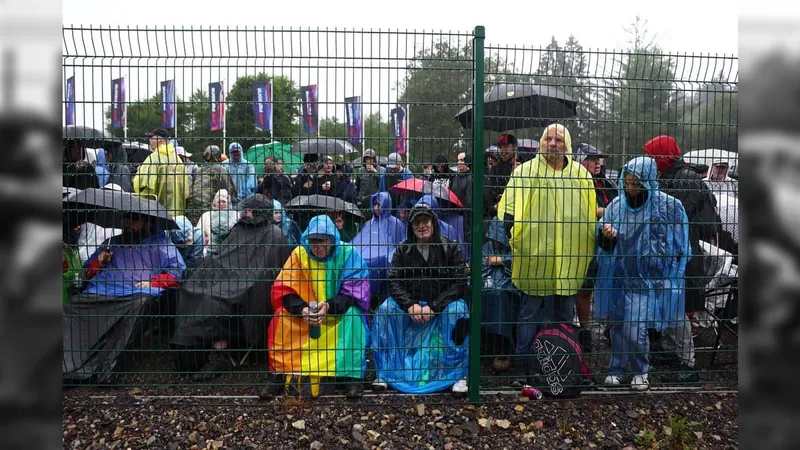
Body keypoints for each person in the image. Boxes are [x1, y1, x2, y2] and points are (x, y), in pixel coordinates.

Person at [499, 124, 597, 386]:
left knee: (564, 315)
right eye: (548, 139)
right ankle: (524, 368)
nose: (552, 143)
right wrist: (517, 238)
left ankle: (563, 365)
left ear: (568, 145)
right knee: (529, 314)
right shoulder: (525, 172)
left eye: (559, 139)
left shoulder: (581, 176)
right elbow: (507, 211)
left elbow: (589, 217)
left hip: (568, 260)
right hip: (534, 258)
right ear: (542, 142)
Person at [594, 156, 691, 391]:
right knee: (617, 326)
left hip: (647, 279)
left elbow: (680, 243)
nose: (630, 188)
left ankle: (640, 370)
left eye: (636, 183)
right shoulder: (617, 205)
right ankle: (616, 369)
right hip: (620, 275)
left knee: (634, 326)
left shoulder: (668, 206)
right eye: (627, 182)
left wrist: (665, 270)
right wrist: (605, 235)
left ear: (649, 181)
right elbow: (602, 239)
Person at [172, 194, 291, 383]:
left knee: (214, 300)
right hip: (228, 277)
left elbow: (272, 269)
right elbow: (224, 255)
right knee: (191, 287)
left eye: (248, 210)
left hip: (250, 287)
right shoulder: (238, 230)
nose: (244, 213)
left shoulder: (274, 234)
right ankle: (191, 352)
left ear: (259, 212)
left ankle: (219, 356)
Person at [63, 212, 186, 383]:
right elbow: (85, 274)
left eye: (134, 219)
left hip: (135, 295)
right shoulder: (111, 243)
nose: (128, 222)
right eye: (126, 218)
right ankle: (66, 364)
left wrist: (154, 282)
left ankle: (107, 367)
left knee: (140, 303)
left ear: (148, 222)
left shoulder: (162, 244)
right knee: (70, 305)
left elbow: (177, 272)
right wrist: (98, 261)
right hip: (101, 292)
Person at [266, 214, 371, 399]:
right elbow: (283, 290)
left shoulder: (349, 254)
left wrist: (329, 306)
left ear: (332, 239)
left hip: (336, 317)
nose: (318, 247)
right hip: (305, 318)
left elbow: (355, 294)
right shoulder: (299, 255)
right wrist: (302, 310)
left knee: (354, 316)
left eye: (322, 241)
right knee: (281, 317)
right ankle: (278, 375)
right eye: (313, 241)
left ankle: (352, 377)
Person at [371, 203, 470, 396]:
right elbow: (393, 281)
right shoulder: (402, 250)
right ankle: (386, 371)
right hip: (412, 306)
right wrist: (410, 305)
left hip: (440, 307)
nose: (421, 226)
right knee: (385, 310)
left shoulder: (450, 247)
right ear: (411, 227)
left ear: (433, 223)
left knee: (458, 311)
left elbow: (459, 283)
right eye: (417, 222)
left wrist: (434, 307)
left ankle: (456, 374)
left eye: (425, 221)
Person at [643, 135, 719, 383]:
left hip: (681, 256)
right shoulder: (675, 176)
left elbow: (675, 216)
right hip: (674, 253)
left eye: (653, 156)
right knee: (669, 306)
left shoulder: (684, 179)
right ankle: (672, 352)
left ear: (664, 157)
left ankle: (688, 364)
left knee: (677, 309)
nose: (651, 161)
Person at [573, 143, 619, 350]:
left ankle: (613, 329)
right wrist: (604, 211)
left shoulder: (606, 183)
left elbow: (619, 205)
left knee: (612, 286)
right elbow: (581, 210)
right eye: (592, 159)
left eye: (599, 158)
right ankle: (584, 331)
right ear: (580, 160)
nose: (597, 162)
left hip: (610, 243)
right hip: (585, 243)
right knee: (585, 288)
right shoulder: (574, 183)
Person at [351, 192, 408, 303]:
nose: (377, 208)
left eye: (380, 205)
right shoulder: (369, 223)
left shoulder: (395, 223)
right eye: (375, 204)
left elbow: (399, 245)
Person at [481, 218, 519, 373]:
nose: (496, 243)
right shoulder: (487, 246)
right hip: (488, 286)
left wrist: (502, 261)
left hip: (507, 288)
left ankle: (504, 349)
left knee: (503, 299)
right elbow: (481, 264)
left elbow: (518, 264)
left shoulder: (513, 248)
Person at [133, 128, 191, 217]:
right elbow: (187, 188)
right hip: (178, 214)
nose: (149, 140)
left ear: (159, 140)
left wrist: (139, 172)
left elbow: (144, 186)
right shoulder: (177, 159)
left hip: (158, 214)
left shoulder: (154, 158)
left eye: (151, 138)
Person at [185, 145, 238, 224]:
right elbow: (230, 192)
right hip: (207, 213)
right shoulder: (220, 170)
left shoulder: (198, 170)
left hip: (191, 212)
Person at [196, 189, 239, 256]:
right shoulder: (206, 215)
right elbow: (198, 234)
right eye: (219, 202)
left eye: (224, 202)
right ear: (215, 203)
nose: (221, 204)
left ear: (228, 202)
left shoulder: (235, 215)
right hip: (209, 249)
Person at [483, 134, 517, 220]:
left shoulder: (525, 165)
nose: (502, 150)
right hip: (502, 217)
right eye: (500, 147)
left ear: (514, 147)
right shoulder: (495, 170)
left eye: (505, 146)